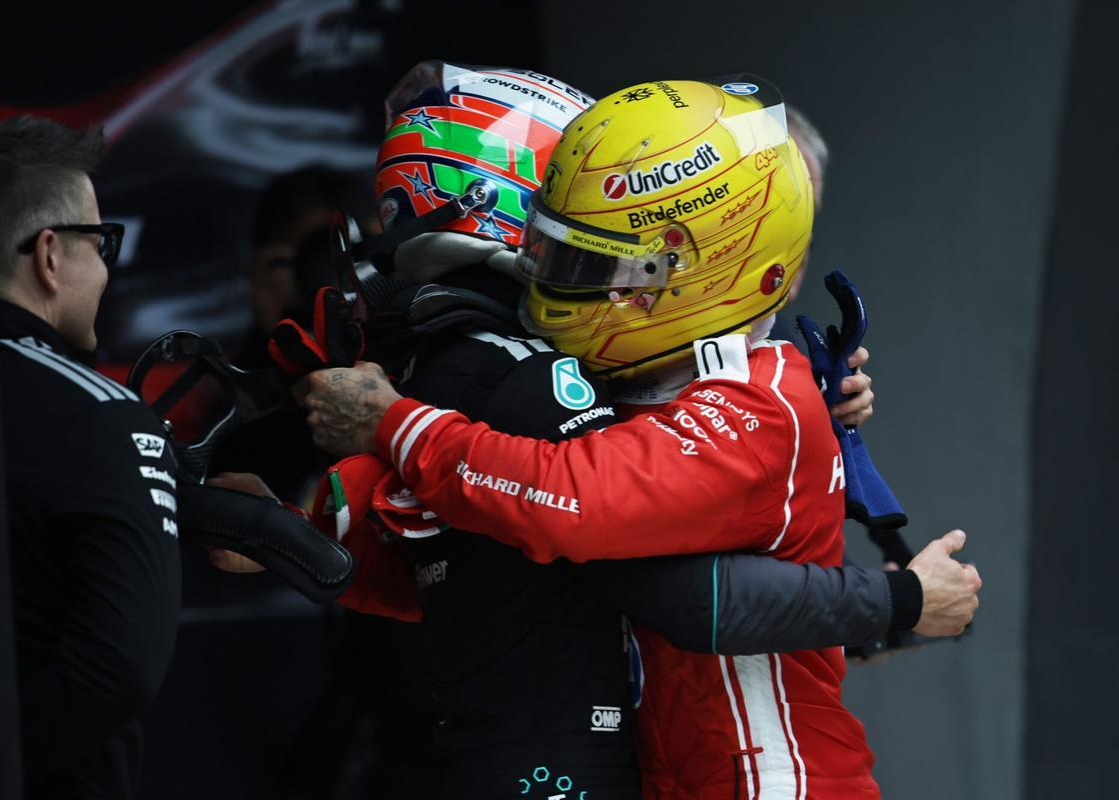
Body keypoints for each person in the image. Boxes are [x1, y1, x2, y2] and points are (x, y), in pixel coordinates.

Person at [293, 77, 981, 799]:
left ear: (698, 266)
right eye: (554, 254)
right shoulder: (643, 393)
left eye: (597, 266)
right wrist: (288, 536)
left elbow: (583, 511)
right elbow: (505, 573)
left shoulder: (761, 398)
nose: (564, 286)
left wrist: (394, 424)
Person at [0, 116, 180, 799]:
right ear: (48, 254)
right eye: (100, 243)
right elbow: (120, 669)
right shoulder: (101, 411)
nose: (103, 268)